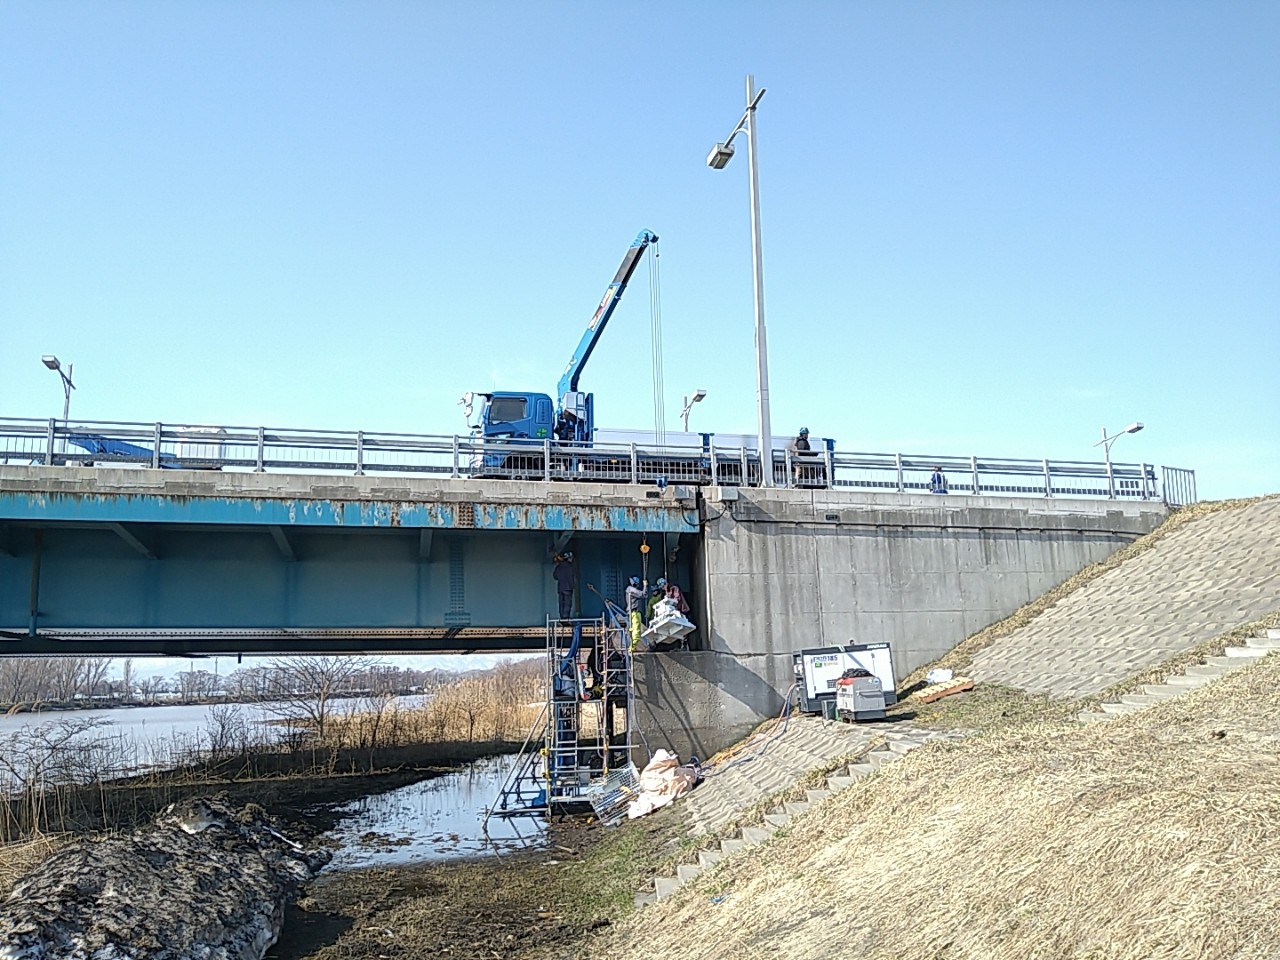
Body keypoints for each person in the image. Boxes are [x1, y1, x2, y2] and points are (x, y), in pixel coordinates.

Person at [624, 575, 646, 647]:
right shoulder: (631, 589)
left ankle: (630, 647)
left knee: (631, 630)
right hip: (632, 612)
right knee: (635, 630)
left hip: (632, 612)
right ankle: (630, 647)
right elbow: (642, 594)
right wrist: (645, 586)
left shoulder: (629, 589)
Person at [553, 552, 576, 619]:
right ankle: (565, 618)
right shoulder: (571, 567)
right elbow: (572, 578)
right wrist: (572, 586)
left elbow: (555, 576)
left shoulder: (559, 567)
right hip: (568, 588)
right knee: (567, 604)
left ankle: (562, 617)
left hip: (560, 588)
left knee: (561, 604)